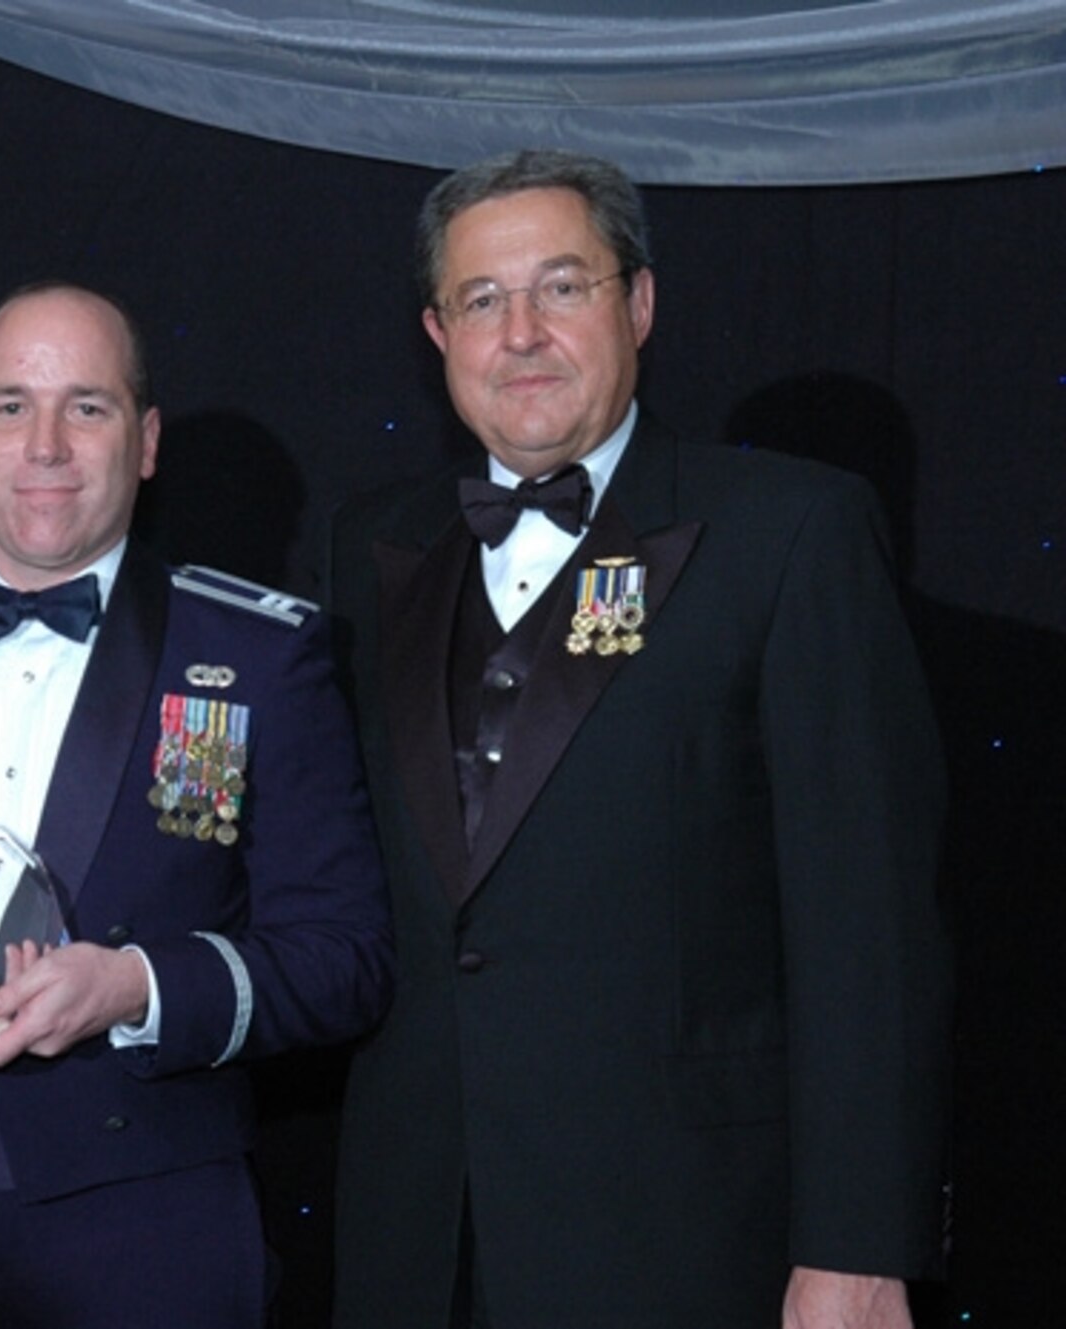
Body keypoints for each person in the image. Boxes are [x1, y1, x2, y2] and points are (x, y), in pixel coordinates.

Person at [328, 149, 951, 1328]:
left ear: (639, 304)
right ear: (435, 331)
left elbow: (868, 929)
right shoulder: (366, 546)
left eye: (560, 287)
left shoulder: (790, 533)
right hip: (415, 1243)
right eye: (480, 300)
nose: (519, 332)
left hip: (688, 1242)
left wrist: (860, 1247)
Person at [0, 282, 394, 1328]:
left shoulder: (258, 653)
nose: (46, 444)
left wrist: (133, 986)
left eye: (88, 407)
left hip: (152, 1226)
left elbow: (347, 960)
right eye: (11, 406)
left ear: (145, 442)